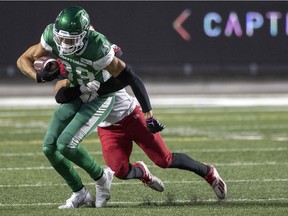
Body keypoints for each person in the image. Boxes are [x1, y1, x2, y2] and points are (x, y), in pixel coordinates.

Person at [16, 5, 165, 209]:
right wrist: (39, 77)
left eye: (71, 39)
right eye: (62, 38)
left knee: (66, 144)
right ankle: (80, 193)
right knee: (49, 147)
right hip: (78, 91)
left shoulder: (97, 46)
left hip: (99, 97)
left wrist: (148, 114)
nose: (65, 44)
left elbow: (129, 76)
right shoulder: (52, 35)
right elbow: (22, 59)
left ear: (84, 35)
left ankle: (102, 177)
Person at [54, 54, 228, 200]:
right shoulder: (71, 66)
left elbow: (131, 78)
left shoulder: (101, 59)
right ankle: (142, 172)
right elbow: (60, 95)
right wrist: (79, 88)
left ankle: (208, 173)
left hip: (131, 115)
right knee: (119, 171)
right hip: (107, 127)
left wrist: (148, 115)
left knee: (164, 160)